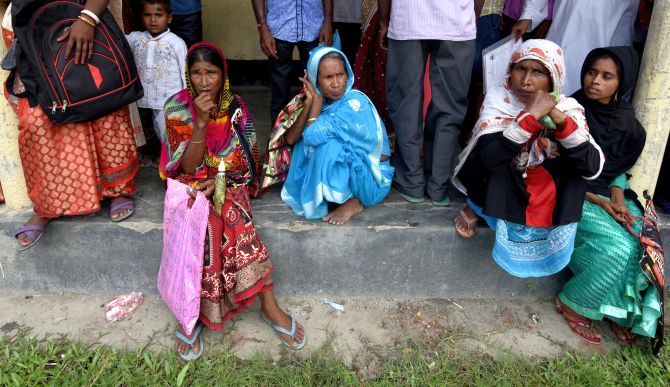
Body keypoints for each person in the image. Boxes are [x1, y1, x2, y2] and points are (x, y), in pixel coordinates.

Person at [159, 42, 306, 360]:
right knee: (203, 224)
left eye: (211, 73)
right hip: (190, 184)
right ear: (188, 75)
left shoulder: (237, 108)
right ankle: (191, 312)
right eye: (196, 73)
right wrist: (199, 122)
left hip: (230, 181)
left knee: (235, 218)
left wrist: (220, 180)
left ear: (222, 74)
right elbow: (186, 166)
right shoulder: (175, 108)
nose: (203, 81)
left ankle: (268, 305)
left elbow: (246, 162)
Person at [452, 39, 604, 278]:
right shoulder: (498, 100)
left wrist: (561, 122)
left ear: (553, 77)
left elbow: (592, 167)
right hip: (506, 184)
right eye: (520, 69)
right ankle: (478, 208)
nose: (526, 81)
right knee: (493, 154)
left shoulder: (569, 108)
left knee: (575, 162)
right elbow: (484, 162)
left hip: (544, 190)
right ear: (510, 71)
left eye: (538, 72)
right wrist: (529, 118)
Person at [12, 0, 138, 251]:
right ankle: (47, 204)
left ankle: (117, 189)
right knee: (38, 121)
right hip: (36, 32)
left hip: (85, 17)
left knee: (101, 103)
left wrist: (88, 18)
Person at [556, 47, 661, 345]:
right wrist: (601, 201)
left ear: (622, 82)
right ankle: (573, 301)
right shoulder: (567, 112)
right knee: (619, 248)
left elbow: (616, 168)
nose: (595, 81)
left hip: (606, 193)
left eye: (606, 76)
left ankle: (620, 313)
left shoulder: (626, 121)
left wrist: (616, 196)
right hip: (573, 193)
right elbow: (560, 170)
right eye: (591, 72)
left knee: (644, 241)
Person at [280, 46, 393, 225]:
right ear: (314, 79)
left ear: (347, 74)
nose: (336, 83)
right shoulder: (320, 101)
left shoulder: (354, 102)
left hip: (371, 179)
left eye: (340, 75)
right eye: (327, 77)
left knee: (328, 145)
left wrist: (316, 101)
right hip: (356, 172)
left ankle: (353, 201)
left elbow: (312, 136)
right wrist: (311, 101)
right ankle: (333, 194)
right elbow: (291, 139)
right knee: (307, 142)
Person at [380, 0, 476, 207]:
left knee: (405, 102)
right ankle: (438, 185)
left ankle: (411, 181)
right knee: (450, 107)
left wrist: (383, 20)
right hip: (457, 21)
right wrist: (471, 17)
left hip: (409, 19)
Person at [251, 0, 333, 127]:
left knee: (316, 90)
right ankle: (278, 141)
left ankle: (312, 138)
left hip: (314, 26)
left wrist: (328, 21)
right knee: (280, 93)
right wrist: (262, 28)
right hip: (278, 28)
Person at [126, 0, 187, 144]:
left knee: (170, 133)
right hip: (145, 98)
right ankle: (162, 159)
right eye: (148, 15)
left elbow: (185, 72)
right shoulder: (137, 38)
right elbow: (117, 40)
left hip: (169, 101)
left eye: (158, 15)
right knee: (153, 130)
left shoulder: (176, 43)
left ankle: (175, 163)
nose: (153, 20)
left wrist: (186, 98)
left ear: (169, 18)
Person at [353, 0, 394, 149]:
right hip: (376, 10)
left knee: (383, 68)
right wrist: (384, 21)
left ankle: (386, 133)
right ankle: (377, 133)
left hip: (395, 12)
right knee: (373, 67)